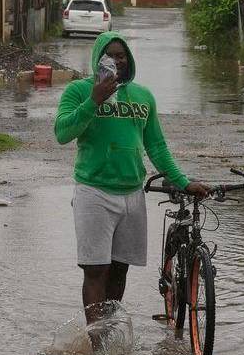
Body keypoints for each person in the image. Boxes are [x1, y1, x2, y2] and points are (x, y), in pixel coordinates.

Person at [54, 31, 208, 327]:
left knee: (119, 270)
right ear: (98, 59)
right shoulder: (78, 90)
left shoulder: (143, 96)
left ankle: (109, 330)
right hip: (94, 193)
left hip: (132, 195)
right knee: (95, 271)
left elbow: (157, 147)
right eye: (109, 55)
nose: (116, 60)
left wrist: (183, 181)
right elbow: (62, 133)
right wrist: (94, 100)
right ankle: (99, 344)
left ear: (129, 59)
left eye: (121, 55)